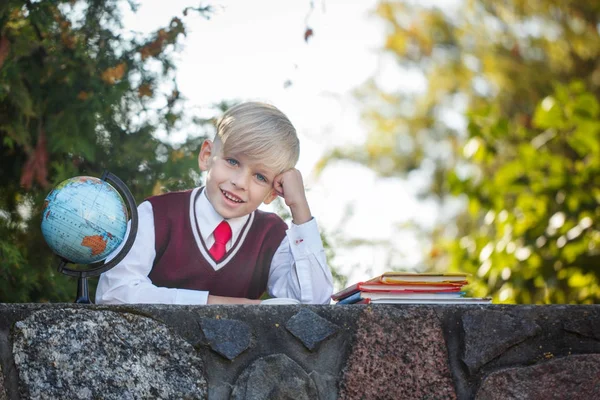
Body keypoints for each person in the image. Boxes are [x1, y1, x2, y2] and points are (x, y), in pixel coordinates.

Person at [95, 101, 333, 305]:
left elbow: (312, 304)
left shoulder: (270, 235)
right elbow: (113, 293)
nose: (240, 182)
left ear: (272, 193)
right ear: (207, 155)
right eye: (232, 161)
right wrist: (212, 303)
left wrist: (299, 206)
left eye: (260, 177)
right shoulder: (156, 215)